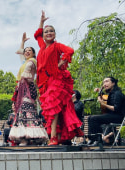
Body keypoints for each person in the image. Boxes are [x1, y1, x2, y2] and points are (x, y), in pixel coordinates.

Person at [34, 11, 83, 146]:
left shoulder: (57, 45)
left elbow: (70, 50)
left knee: (54, 107)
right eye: (46, 32)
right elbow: (37, 34)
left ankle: (54, 137)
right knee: (54, 109)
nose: (48, 33)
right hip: (45, 83)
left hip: (56, 79)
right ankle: (61, 136)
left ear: (54, 34)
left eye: (51, 31)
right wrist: (42, 22)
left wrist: (62, 62)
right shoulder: (42, 46)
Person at [9, 32, 48, 146]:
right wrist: (23, 42)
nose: (26, 52)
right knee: (21, 110)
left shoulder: (33, 61)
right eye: (25, 51)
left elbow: (27, 75)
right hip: (21, 88)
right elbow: (18, 52)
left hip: (29, 87)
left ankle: (29, 137)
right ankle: (25, 137)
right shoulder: (24, 62)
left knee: (26, 109)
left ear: (33, 53)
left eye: (29, 51)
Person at [87, 77, 125, 146]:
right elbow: (106, 104)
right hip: (112, 116)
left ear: (113, 83)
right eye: (104, 82)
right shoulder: (111, 94)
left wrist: (102, 103)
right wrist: (100, 93)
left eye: (107, 81)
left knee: (94, 119)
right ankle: (92, 139)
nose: (104, 84)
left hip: (119, 117)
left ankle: (98, 140)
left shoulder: (117, 94)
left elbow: (115, 109)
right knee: (90, 118)